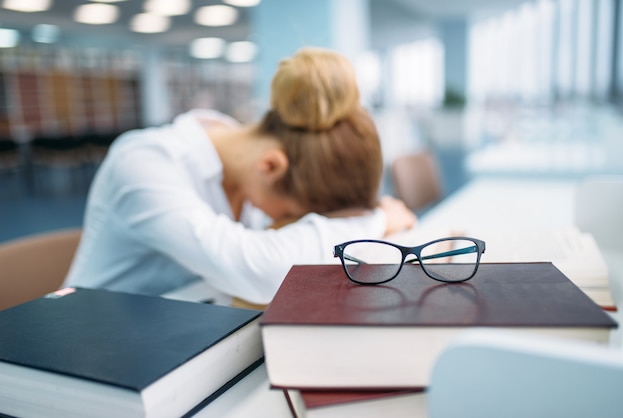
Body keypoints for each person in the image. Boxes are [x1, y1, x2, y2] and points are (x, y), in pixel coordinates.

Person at [63, 47, 416, 306]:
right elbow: (261, 271)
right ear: (271, 167)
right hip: (96, 351)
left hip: (188, 327)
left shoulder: (245, 159)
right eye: (293, 213)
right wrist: (377, 219)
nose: (287, 221)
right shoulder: (145, 161)